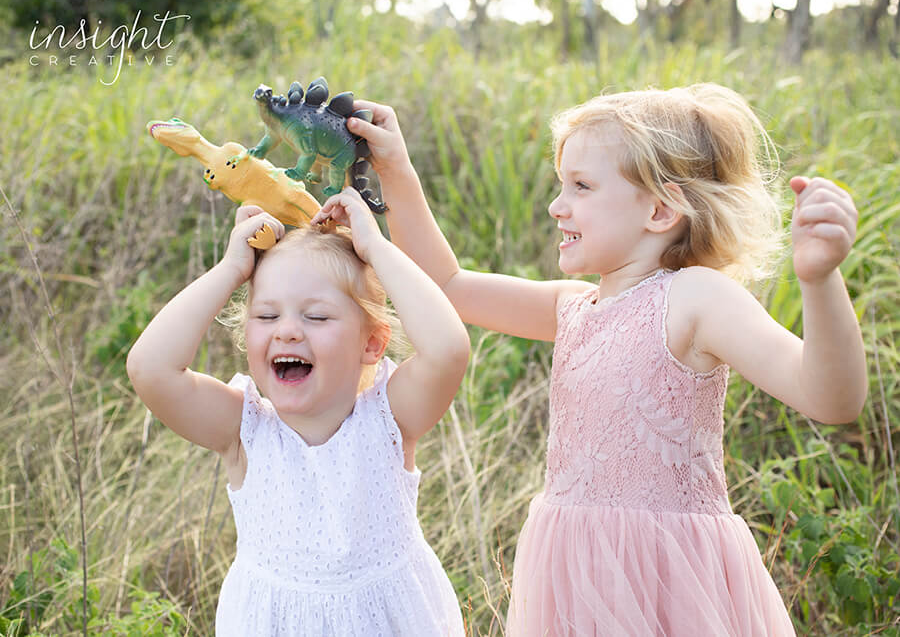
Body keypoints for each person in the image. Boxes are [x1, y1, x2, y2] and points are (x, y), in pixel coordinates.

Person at [344, 84, 867, 635]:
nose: (556, 205)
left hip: (669, 583)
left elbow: (830, 398)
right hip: (572, 575)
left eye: (582, 187)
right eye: (560, 184)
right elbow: (448, 285)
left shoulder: (696, 298)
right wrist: (395, 168)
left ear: (661, 209)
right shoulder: (573, 307)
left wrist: (820, 279)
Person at [126, 187, 469, 636]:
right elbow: (150, 369)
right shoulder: (243, 431)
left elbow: (447, 350)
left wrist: (375, 247)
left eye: (317, 317)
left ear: (372, 343)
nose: (287, 331)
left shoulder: (389, 419)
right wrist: (231, 271)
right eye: (267, 317)